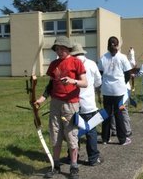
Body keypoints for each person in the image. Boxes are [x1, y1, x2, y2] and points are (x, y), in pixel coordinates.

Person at [35, 36, 88, 179]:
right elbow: (50, 85)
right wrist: (41, 98)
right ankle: (56, 165)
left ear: (68, 49)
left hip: (71, 104)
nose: (59, 51)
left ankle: (74, 166)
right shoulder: (54, 64)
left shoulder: (76, 62)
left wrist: (72, 81)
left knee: (71, 134)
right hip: (55, 103)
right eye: (57, 49)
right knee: (55, 133)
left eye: (62, 49)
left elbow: (85, 83)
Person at [70, 43, 103, 166]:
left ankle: (73, 156)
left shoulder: (70, 65)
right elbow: (99, 82)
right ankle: (93, 158)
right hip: (88, 103)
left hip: (73, 103)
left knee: (73, 132)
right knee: (91, 131)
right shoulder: (91, 64)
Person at [97, 36, 132, 145]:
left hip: (107, 90)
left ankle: (105, 138)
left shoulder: (103, 58)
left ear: (108, 45)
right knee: (119, 114)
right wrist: (123, 83)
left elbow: (100, 74)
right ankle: (122, 139)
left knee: (106, 114)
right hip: (119, 90)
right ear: (117, 45)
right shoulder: (123, 57)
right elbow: (128, 74)